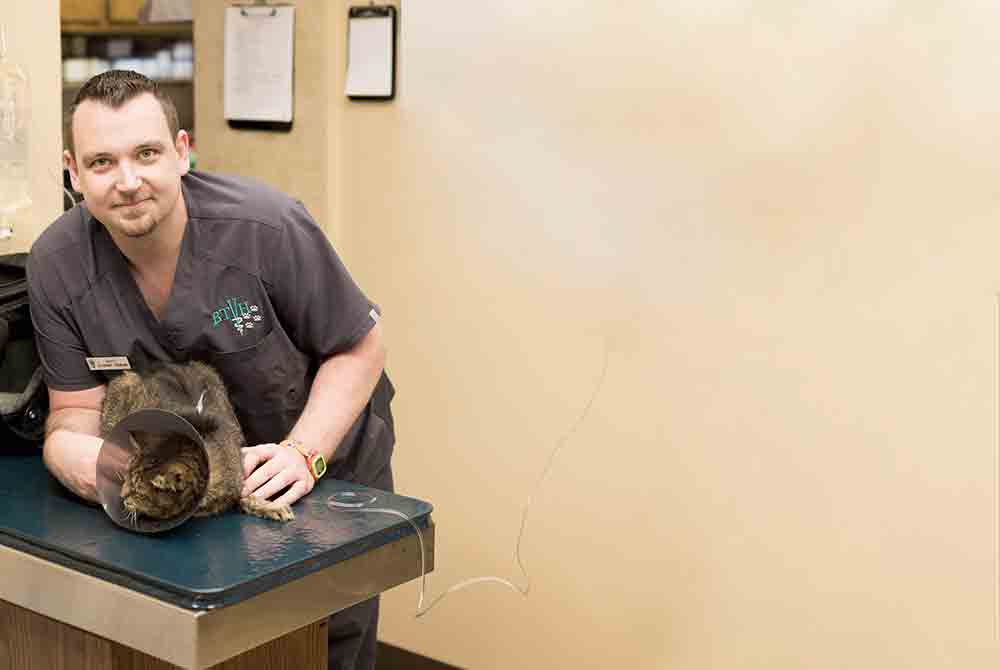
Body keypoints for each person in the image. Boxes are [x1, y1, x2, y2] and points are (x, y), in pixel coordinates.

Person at [26, 70, 395, 670]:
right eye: (101, 162)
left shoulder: (267, 229)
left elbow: (360, 348)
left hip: (318, 474)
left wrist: (304, 453)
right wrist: (100, 470)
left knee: (321, 648)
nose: (127, 182)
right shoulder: (57, 265)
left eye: (146, 154)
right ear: (73, 171)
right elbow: (72, 414)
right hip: (178, 503)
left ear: (182, 151)